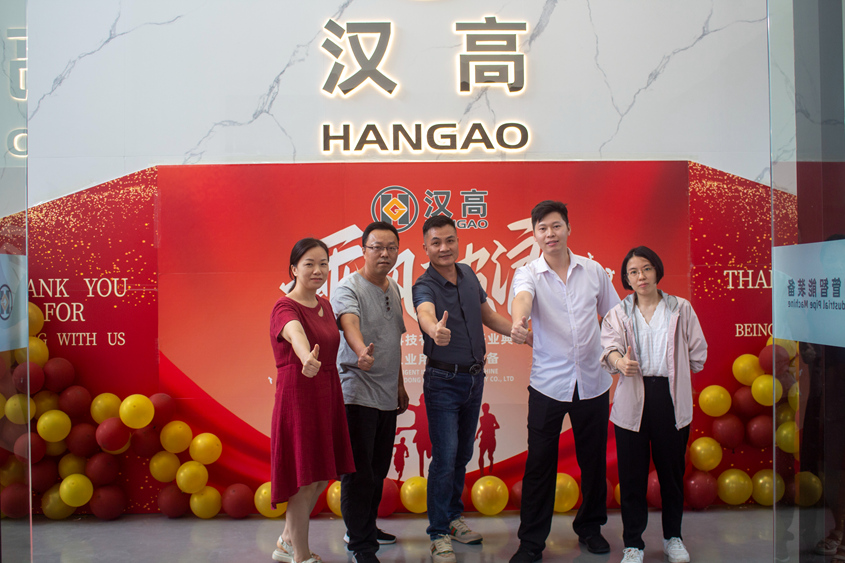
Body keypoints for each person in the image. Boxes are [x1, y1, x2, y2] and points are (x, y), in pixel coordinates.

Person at [509, 200, 620, 562]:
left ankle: (590, 528)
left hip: (593, 381)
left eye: (556, 226)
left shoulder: (593, 271)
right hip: (548, 384)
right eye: (542, 228)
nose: (550, 234)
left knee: (593, 462)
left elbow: (614, 315)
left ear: (568, 228)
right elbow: (522, 300)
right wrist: (520, 321)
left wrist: (616, 354)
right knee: (539, 465)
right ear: (535, 235)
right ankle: (531, 543)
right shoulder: (528, 273)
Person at [412, 214, 516, 563]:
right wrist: (433, 330)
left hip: (474, 378)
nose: (444, 248)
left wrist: (519, 332)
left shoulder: (469, 274)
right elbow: (425, 313)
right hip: (442, 381)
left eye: (450, 240)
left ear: (458, 241)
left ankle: (453, 518)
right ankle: (438, 533)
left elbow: (489, 315)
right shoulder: (424, 284)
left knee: (462, 454)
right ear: (425, 247)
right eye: (436, 243)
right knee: (444, 457)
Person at [600, 246, 707, 563]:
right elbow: (608, 349)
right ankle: (633, 544)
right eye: (633, 272)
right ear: (626, 279)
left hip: (670, 401)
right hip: (632, 401)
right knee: (631, 479)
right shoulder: (618, 313)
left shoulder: (680, 308)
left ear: (657, 270)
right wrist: (619, 362)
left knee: (671, 476)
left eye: (646, 268)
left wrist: (679, 369)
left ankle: (674, 538)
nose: (641, 276)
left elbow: (698, 354)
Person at [269, 237, 355, 563]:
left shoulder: (325, 305)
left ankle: (286, 541)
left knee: (320, 477)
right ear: (294, 269)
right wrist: (306, 357)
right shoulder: (285, 307)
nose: (318, 270)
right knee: (303, 481)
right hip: (298, 394)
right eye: (309, 264)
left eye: (323, 264)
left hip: (326, 391)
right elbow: (295, 334)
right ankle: (300, 556)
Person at [331, 222, 410, 563]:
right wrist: (360, 349)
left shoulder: (394, 288)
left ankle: (366, 527)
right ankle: (360, 543)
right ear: (363, 250)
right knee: (358, 472)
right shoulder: (348, 288)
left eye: (391, 248)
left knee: (378, 470)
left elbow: (395, 341)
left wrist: (400, 384)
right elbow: (349, 322)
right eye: (377, 247)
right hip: (356, 390)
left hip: (387, 394)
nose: (384, 254)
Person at [475, 403, 500, 475]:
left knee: (490, 455)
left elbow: (497, 426)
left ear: (488, 409)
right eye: (483, 409)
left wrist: (491, 428)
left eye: (485, 408)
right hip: (484, 438)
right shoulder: (481, 418)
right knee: (481, 455)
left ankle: (491, 462)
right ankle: (481, 473)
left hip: (491, 438)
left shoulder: (492, 416)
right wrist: (477, 434)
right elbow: (482, 427)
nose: (484, 410)